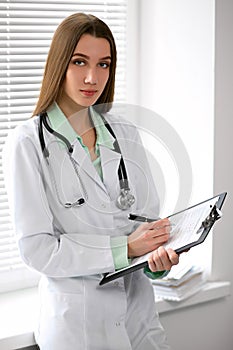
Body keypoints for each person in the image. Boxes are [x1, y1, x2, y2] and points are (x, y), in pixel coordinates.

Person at [4, 13, 180, 350]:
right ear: (59, 64)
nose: (91, 77)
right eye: (79, 62)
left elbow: (146, 224)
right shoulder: (27, 143)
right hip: (78, 329)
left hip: (140, 324)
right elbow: (38, 250)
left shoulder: (124, 132)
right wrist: (125, 248)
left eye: (104, 64)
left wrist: (157, 261)